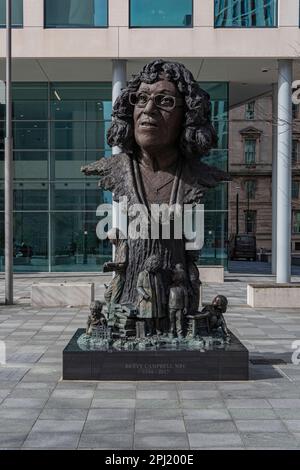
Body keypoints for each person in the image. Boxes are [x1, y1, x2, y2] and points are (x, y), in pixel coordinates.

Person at [82, 60, 228, 310]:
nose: (148, 108)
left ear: (188, 116)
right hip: (130, 299)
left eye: (165, 101)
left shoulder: (199, 176)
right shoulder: (114, 170)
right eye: (141, 99)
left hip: (177, 298)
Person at [136, 254, 167, 335]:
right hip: (147, 298)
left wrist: (163, 298)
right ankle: (150, 330)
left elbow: (161, 287)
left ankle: (158, 328)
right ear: (150, 264)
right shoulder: (142, 274)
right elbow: (139, 286)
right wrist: (144, 294)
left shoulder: (158, 275)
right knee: (148, 315)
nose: (156, 268)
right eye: (155, 265)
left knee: (157, 314)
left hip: (157, 297)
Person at [103, 228, 128, 315]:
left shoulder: (124, 245)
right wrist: (111, 265)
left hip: (121, 277)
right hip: (117, 275)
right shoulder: (118, 246)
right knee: (107, 295)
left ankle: (112, 320)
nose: (110, 241)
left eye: (111, 239)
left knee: (114, 300)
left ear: (115, 237)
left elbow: (123, 264)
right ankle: (111, 314)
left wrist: (113, 265)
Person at [168, 266, 189, 339]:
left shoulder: (183, 288)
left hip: (180, 307)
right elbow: (166, 295)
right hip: (171, 307)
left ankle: (179, 333)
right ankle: (171, 332)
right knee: (171, 320)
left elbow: (186, 297)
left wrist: (185, 307)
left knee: (179, 320)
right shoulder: (170, 287)